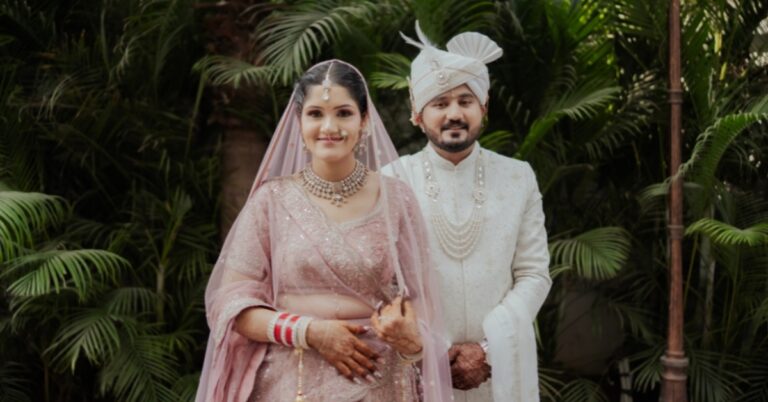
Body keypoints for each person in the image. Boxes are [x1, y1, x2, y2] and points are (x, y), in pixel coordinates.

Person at [195, 60, 452, 402]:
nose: (329, 127)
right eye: (315, 114)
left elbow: (421, 301)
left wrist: (410, 338)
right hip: (291, 381)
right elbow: (231, 303)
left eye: (343, 113)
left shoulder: (396, 198)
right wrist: (309, 331)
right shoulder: (271, 200)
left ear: (364, 121)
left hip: (378, 378)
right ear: (299, 121)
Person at [390, 23, 553, 402]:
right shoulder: (392, 179)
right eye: (440, 103)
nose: (454, 114)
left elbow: (534, 274)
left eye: (465, 101)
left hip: (499, 368)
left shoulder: (518, 177)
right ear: (417, 113)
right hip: (419, 365)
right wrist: (433, 349)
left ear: (484, 107)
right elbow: (385, 282)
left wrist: (488, 350)